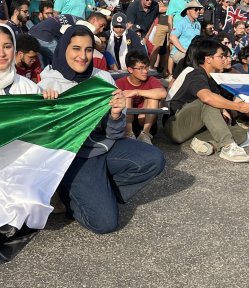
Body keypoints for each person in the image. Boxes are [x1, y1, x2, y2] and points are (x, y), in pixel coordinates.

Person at [37, 25, 164, 234]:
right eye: (76, 49)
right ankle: (70, 194)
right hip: (74, 158)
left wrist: (115, 115)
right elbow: (46, 139)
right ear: (63, 49)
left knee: (153, 159)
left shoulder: (102, 78)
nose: (83, 56)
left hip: (104, 147)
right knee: (105, 223)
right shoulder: (48, 85)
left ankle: (99, 191)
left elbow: (115, 133)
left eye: (88, 49)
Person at [165, 39, 249, 163]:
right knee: (208, 102)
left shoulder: (211, 78)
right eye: (221, 56)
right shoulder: (196, 74)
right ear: (208, 59)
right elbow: (207, 98)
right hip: (175, 126)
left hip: (194, 130)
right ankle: (228, 147)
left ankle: (209, 145)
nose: (224, 59)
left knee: (240, 132)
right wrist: (238, 107)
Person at [115, 51, 167, 144]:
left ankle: (145, 134)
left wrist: (137, 91)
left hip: (145, 122)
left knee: (153, 98)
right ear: (130, 70)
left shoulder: (151, 80)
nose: (145, 71)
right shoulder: (120, 82)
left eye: (146, 67)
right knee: (126, 97)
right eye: (141, 68)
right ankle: (129, 133)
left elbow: (163, 93)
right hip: (126, 122)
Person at [169, 0, 204, 68]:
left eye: (199, 10)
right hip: (180, 52)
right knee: (193, 62)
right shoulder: (181, 22)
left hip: (192, 53)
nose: (198, 12)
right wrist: (184, 50)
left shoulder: (198, 24)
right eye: (196, 9)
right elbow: (172, 37)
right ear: (188, 11)